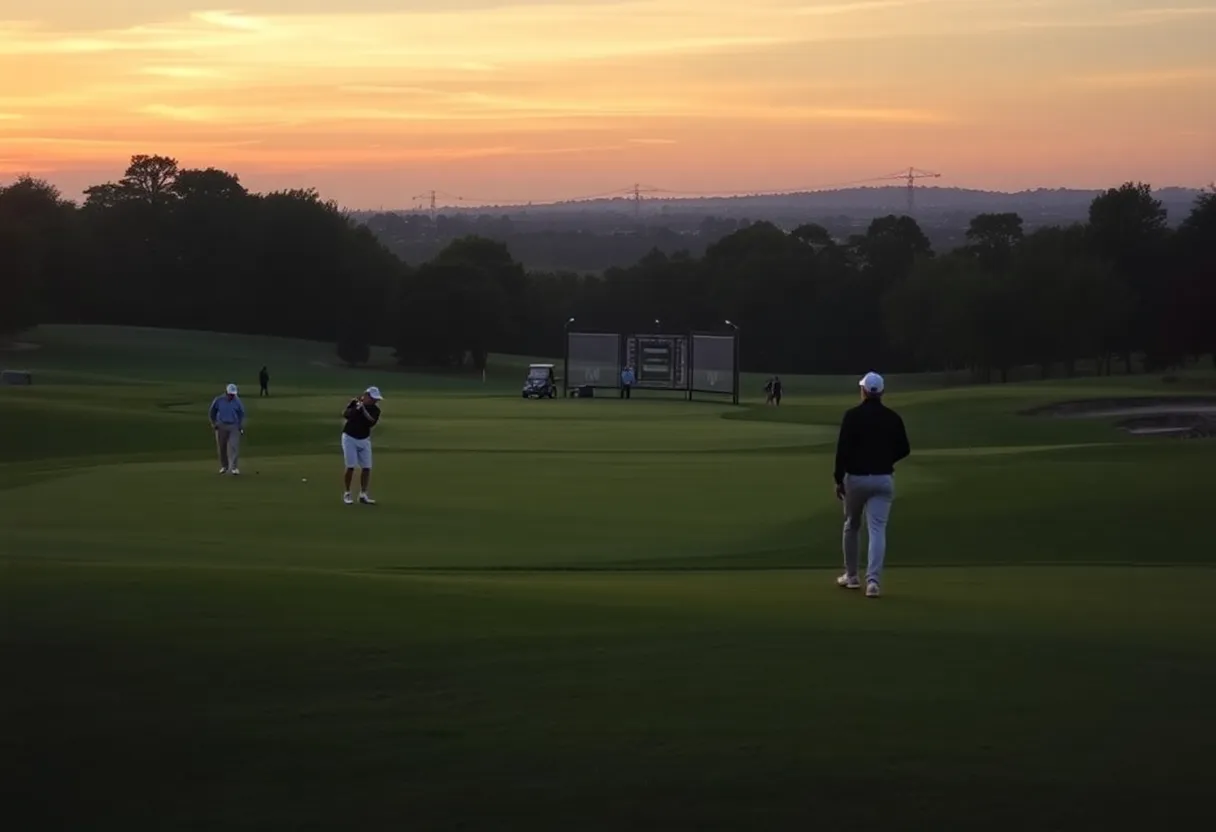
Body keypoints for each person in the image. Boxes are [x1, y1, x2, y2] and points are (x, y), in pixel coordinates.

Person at [832, 371, 910, 598]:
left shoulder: (852, 416)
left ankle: (852, 576)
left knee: (851, 525)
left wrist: (838, 479)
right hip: (883, 478)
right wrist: (886, 459)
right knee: (877, 530)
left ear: (863, 391)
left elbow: (842, 451)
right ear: (882, 392)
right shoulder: (893, 418)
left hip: (856, 479)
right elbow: (904, 448)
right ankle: (873, 582)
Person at [342, 386, 383, 505]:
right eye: (373, 398)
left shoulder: (375, 410)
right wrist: (356, 408)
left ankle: (363, 494)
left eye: (376, 399)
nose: (375, 401)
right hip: (349, 437)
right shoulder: (355, 403)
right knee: (350, 466)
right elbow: (346, 414)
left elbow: (371, 421)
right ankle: (347, 493)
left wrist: (363, 409)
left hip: (364, 439)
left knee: (367, 467)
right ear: (366, 396)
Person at [208, 383, 245, 475]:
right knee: (222, 447)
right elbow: (212, 412)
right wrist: (214, 423)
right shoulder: (219, 400)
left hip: (234, 426)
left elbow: (241, 413)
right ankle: (224, 466)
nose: (232, 396)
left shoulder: (237, 401)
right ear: (226, 393)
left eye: (234, 394)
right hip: (221, 426)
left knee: (234, 447)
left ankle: (234, 467)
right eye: (231, 394)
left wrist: (240, 425)